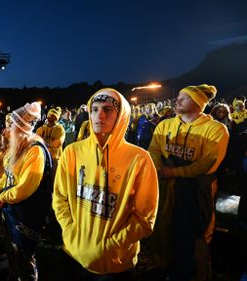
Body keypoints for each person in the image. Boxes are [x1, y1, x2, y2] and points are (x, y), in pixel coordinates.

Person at [52, 88, 159, 280]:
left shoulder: (139, 159)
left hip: (114, 264)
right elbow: (60, 198)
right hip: (73, 255)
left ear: (122, 116)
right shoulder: (72, 152)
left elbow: (144, 218)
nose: (99, 115)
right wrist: (70, 231)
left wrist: (109, 247)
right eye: (94, 109)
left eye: (108, 109)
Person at [148, 84, 229, 281]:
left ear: (198, 103)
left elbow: (207, 165)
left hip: (195, 190)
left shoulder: (216, 129)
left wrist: (174, 171)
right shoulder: (164, 125)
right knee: (163, 227)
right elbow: (154, 150)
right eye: (178, 96)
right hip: (167, 186)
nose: (177, 100)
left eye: (184, 97)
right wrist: (159, 169)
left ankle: (195, 272)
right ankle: (163, 265)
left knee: (193, 232)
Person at [0, 101, 53, 281]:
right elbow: (8, 174)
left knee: (25, 254)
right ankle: (13, 265)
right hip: (12, 209)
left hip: (26, 215)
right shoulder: (18, 146)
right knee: (12, 246)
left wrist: (2, 196)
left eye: (10, 124)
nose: (7, 128)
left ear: (20, 127)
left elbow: (24, 189)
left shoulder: (34, 151)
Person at [36, 106, 65, 174]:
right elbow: (37, 141)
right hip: (43, 157)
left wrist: (43, 142)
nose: (50, 118)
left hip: (55, 158)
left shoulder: (60, 129)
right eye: (49, 116)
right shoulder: (41, 128)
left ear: (56, 118)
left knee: (54, 177)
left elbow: (57, 143)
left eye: (53, 116)